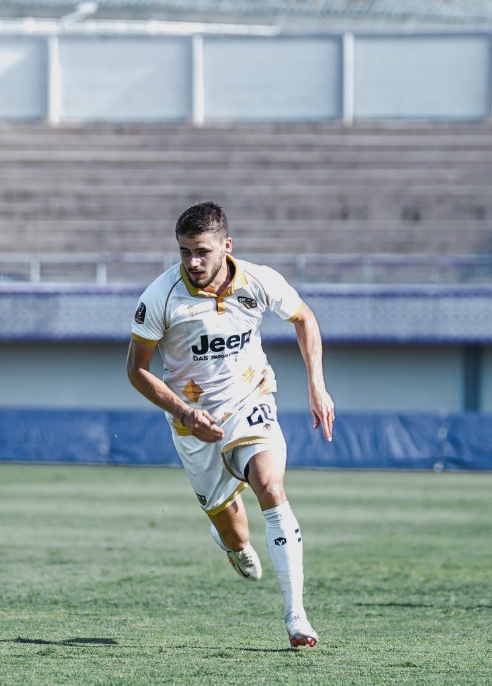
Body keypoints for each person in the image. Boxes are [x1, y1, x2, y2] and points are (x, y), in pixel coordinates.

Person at [126, 202, 335, 649]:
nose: (192, 262)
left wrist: (317, 385)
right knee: (236, 532)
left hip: (250, 398)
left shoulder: (258, 280)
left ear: (227, 246)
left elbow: (304, 318)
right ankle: (232, 544)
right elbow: (136, 370)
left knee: (271, 488)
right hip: (192, 423)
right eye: (184, 252)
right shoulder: (160, 297)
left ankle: (296, 615)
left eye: (201, 251)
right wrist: (184, 412)